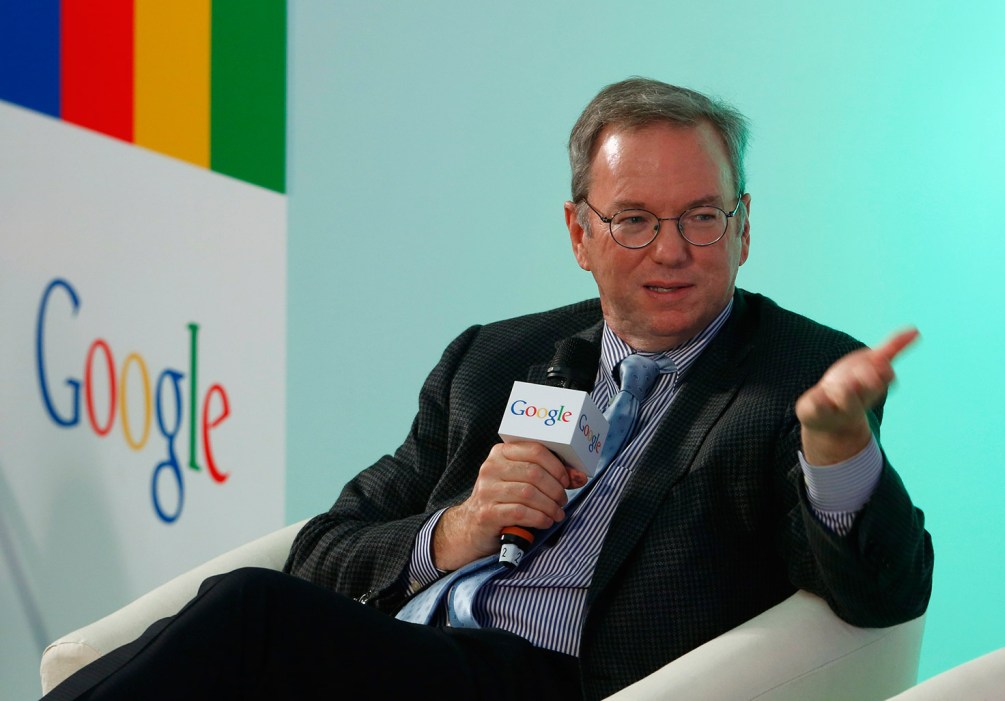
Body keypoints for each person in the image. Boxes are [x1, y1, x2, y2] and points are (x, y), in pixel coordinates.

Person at [43, 77, 932, 701]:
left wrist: (839, 448)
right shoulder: (498, 356)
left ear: (744, 229)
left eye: (703, 216)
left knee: (248, 613)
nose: (673, 249)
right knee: (244, 621)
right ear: (580, 233)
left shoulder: (797, 378)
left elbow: (882, 596)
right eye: (634, 219)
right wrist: (457, 529)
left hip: (553, 677)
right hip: (407, 652)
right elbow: (326, 549)